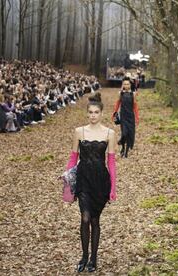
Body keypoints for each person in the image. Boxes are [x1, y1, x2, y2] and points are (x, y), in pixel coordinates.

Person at [65, 92, 117, 273]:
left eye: (96, 112)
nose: (93, 115)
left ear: (101, 113)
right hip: (83, 179)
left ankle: (93, 259)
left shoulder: (110, 133)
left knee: (95, 220)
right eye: (90, 112)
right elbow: (73, 158)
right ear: (87, 113)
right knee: (85, 217)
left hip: (101, 181)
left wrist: (113, 187)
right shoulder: (79, 131)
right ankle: (84, 256)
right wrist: (66, 177)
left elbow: (111, 162)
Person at [112, 77, 139, 158]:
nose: (126, 85)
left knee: (129, 134)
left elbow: (135, 106)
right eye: (124, 84)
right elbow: (117, 104)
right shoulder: (120, 93)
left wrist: (137, 117)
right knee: (124, 133)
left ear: (130, 85)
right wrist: (114, 113)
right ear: (122, 85)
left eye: (127, 84)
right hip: (123, 115)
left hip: (131, 116)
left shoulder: (133, 94)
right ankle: (123, 148)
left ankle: (126, 152)